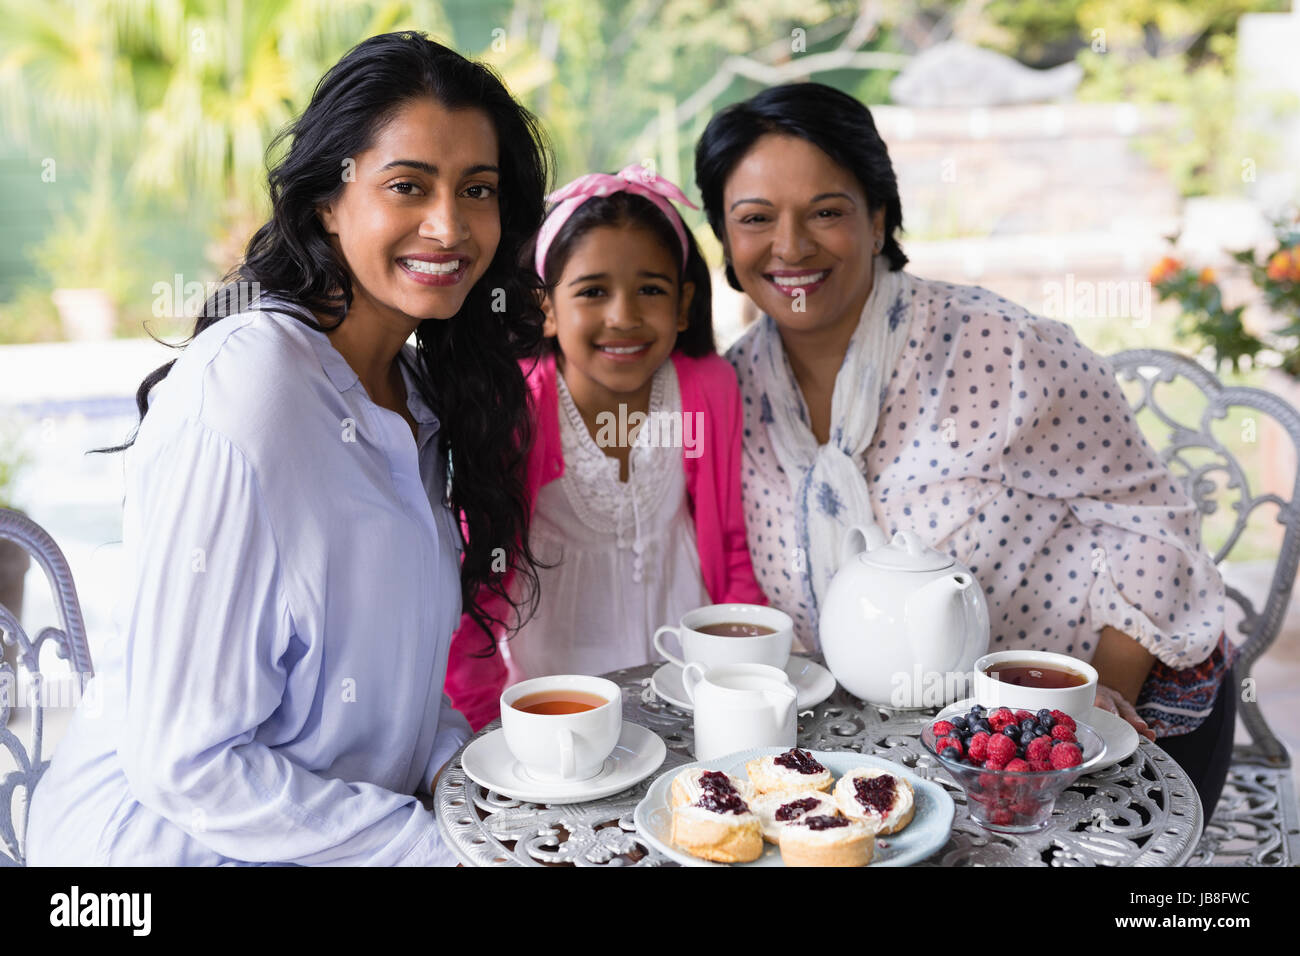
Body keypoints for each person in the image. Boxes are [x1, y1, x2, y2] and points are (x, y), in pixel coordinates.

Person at [25, 32, 550, 865]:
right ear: (326, 203)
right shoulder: (254, 384)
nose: (448, 224)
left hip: (340, 835)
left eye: (476, 189)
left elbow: (383, 701)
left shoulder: (412, 397)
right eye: (407, 185)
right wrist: (439, 850)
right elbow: (189, 764)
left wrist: (493, 793)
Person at [694, 83, 1236, 815]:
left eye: (827, 211)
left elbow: (1154, 522)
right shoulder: (733, 393)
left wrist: (1087, 713)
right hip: (902, 750)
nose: (791, 246)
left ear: (878, 218)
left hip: (1099, 731)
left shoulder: (996, 349)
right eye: (756, 219)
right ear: (727, 239)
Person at [445, 164, 765, 731]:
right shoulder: (519, 408)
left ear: (685, 303)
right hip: (562, 710)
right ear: (545, 306)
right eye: (593, 291)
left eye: (651, 289)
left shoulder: (706, 389)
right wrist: (481, 726)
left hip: (691, 691)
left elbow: (733, 547)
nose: (623, 316)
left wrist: (744, 681)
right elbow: (480, 588)